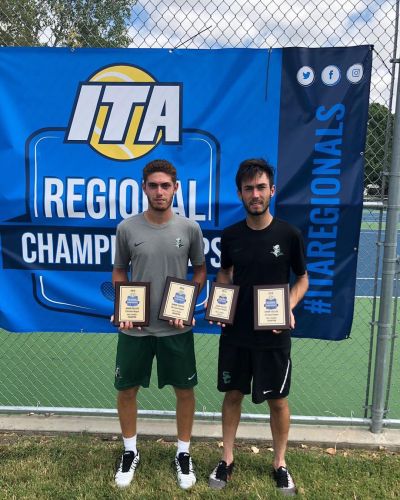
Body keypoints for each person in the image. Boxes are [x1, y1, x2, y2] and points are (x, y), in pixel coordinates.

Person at [208, 158, 308, 496]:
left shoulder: (289, 235)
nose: (255, 194)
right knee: (232, 394)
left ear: (272, 190)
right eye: (249, 188)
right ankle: (227, 458)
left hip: (274, 335)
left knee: (278, 401)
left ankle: (280, 463)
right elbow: (225, 273)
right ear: (240, 193)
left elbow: (302, 279)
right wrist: (221, 302)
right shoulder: (231, 235)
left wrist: (289, 307)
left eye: (261, 187)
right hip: (235, 334)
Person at [112, 159, 206, 490]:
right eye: (153, 185)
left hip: (176, 328)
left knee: (185, 391)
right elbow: (120, 271)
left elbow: (200, 270)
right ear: (144, 188)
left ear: (175, 188)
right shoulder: (127, 228)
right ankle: (129, 450)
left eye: (165, 185)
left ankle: (182, 453)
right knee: (126, 390)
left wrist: (189, 303)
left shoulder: (190, 229)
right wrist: (122, 306)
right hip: (135, 329)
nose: (159, 191)